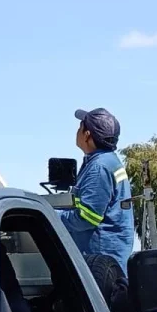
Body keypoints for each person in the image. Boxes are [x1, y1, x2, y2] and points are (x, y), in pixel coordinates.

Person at [59, 108, 134, 275]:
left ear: (87, 135)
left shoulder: (99, 168)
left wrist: (52, 216)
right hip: (106, 259)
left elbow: (87, 217)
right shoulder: (106, 161)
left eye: (80, 127)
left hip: (100, 264)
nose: (77, 131)